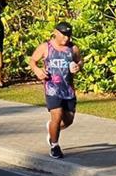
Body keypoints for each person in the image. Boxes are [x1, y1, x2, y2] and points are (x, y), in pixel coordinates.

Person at [28, 22, 84, 159]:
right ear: (55, 33)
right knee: (57, 117)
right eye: (64, 36)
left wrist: (78, 66)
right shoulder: (45, 47)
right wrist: (37, 70)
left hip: (68, 89)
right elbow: (32, 61)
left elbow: (80, 61)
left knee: (68, 120)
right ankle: (54, 146)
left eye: (69, 36)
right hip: (52, 88)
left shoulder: (73, 48)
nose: (66, 39)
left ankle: (52, 129)